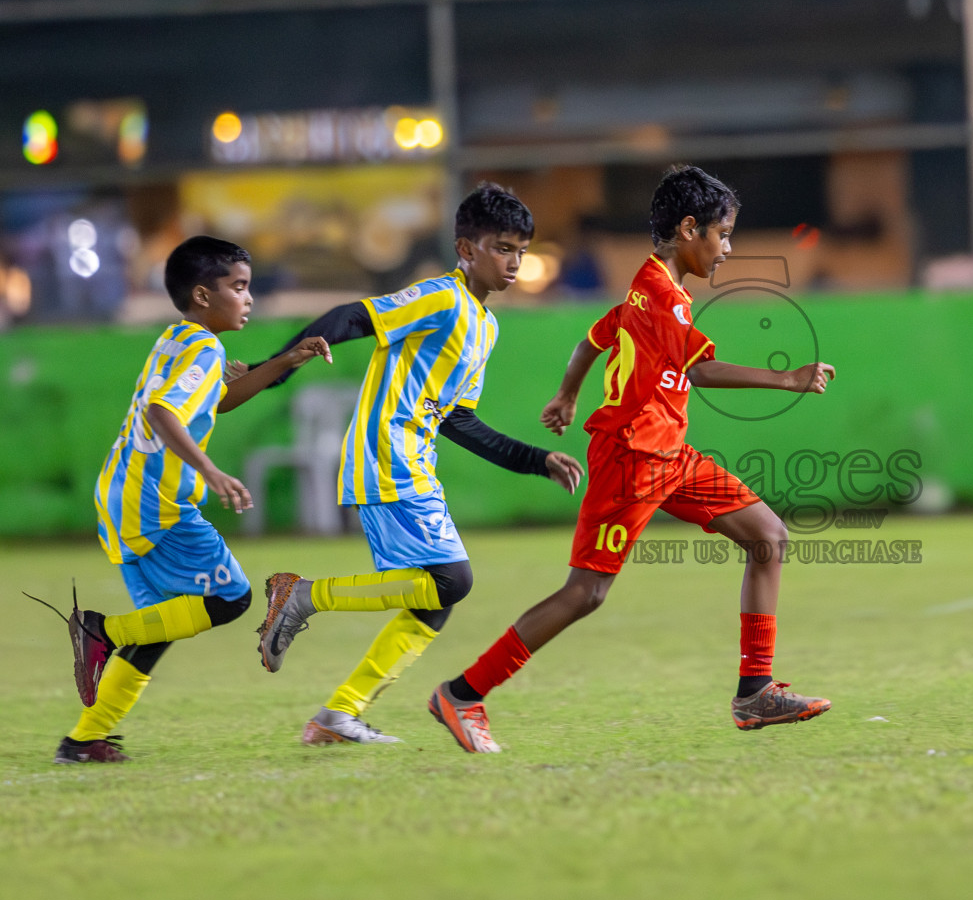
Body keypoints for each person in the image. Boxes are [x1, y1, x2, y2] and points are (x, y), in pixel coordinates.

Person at [426, 165, 835, 754]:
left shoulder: (647, 289)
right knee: (586, 593)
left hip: (670, 452)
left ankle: (754, 690)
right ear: (689, 229)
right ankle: (463, 693)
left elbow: (593, 338)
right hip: (632, 457)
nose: (727, 248)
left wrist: (568, 393)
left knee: (768, 536)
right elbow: (699, 370)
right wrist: (786, 378)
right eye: (722, 235)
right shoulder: (663, 299)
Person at [254, 182, 583, 745]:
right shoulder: (440, 297)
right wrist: (279, 364)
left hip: (416, 460)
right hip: (387, 453)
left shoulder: (486, 325)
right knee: (450, 580)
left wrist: (535, 459)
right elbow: (353, 316)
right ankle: (303, 596)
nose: (515, 261)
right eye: (503, 247)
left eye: (522, 250)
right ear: (466, 248)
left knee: (436, 599)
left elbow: (458, 419)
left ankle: (338, 715)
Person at [47, 236, 332, 764]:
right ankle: (101, 630)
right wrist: (211, 469)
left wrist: (285, 361)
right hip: (156, 502)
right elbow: (162, 411)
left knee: (163, 624)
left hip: (124, 492)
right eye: (239, 287)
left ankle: (85, 738)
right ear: (203, 295)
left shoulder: (180, 339)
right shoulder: (203, 349)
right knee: (232, 599)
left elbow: (217, 400)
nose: (248, 298)